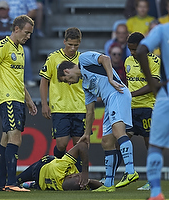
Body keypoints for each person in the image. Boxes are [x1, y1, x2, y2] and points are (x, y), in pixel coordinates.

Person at [57, 53, 139, 192]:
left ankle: (130, 171)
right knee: (106, 142)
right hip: (109, 102)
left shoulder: (83, 59)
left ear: (66, 71)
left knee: (119, 132)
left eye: (67, 80)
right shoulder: (86, 84)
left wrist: (111, 79)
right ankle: (108, 184)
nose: (69, 83)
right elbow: (90, 112)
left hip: (117, 94)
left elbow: (105, 59)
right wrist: (87, 134)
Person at [0, 15, 38, 192]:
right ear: (16, 29)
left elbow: (18, 80)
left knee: (6, 139)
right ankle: (11, 183)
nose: (28, 36)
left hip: (18, 99)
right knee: (15, 137)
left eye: (30, 33)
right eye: (26, 32)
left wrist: (29, 100)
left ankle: (1, 183)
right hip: (7, 99)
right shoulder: (3, 46)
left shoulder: (20, 50)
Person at [39, 27, 86, 162]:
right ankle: (58, 166)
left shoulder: (82, 60)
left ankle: (77, 177)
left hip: (80, 107)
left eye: (76, 45)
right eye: (70, 44)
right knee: (61, 144)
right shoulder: (54, 58)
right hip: (60, 107)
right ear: (64, 41)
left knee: (80, 145)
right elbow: (44, 81)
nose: (72, 48)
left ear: (79, 43)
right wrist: (44, 104)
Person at [136, 22, 169, 200]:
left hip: (166, 95)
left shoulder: (163, 30)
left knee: (156, 145)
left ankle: (156, 193)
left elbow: (141, 50)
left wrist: (153, 83)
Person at [125, 32, 160, 191]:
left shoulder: (154, 61)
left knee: (149, 144)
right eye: (130, 49)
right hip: (130, 109)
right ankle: (128, 173)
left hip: (147, 107)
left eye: (135, 49)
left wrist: (130, 95)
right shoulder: (128, 61)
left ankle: (152, 180)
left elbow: (153, 83)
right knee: (122, 140)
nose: (132, 52)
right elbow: (129, 83)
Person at [16, 141, 102, 191]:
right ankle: (32, 185)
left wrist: (85, 175)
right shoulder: (75, 183)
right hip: (44, 170)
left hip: (39, 170)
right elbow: (101, 186)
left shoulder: (61, 169)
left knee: (15, 181)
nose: (79, 174)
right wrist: (88, 180)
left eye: (77, 176)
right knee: (18, 182)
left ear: (70, 176)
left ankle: (32, 185)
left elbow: (82, 145)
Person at [0, 1, 36, 87]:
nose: (2, 12)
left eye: (4, 9)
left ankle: (27, 79)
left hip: (14, 46)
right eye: (0, 10)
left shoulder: (14, 22)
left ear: (8, 10)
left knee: (26, 51)